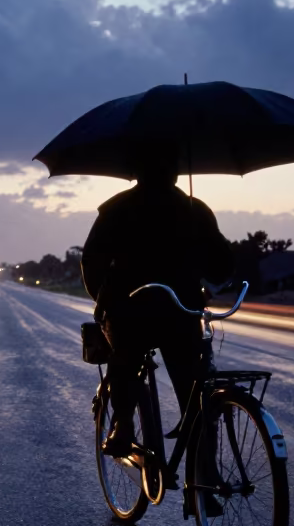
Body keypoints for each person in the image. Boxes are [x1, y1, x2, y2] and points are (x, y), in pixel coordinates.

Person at [81, 154, 233, 457]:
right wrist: (207, 286)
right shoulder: (195, 208)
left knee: (124, 359)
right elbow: (222, 262)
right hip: (182, 310)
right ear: (177, 173)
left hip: (128, 310)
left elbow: (91, 262)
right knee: (194, 391)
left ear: (136, 172)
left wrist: (102, 301)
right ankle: (205, 472)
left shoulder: (115, 209)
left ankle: (122, 425)